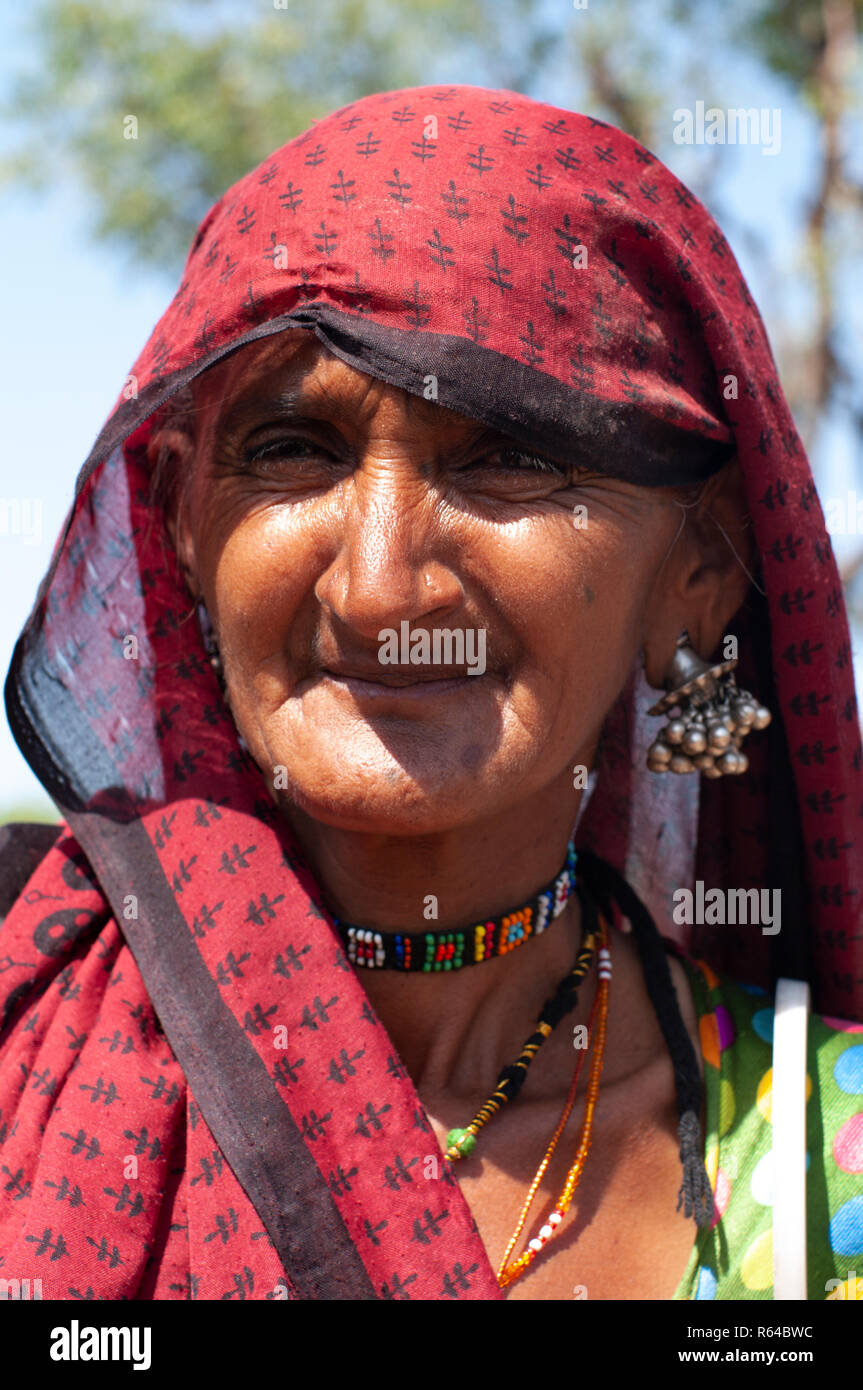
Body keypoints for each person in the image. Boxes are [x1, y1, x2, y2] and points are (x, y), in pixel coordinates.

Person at [1, 84, 861, 1302]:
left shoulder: (825, 1166)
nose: (375, 590)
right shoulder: (27, 1019)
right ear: (186, 517)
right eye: (294, 449)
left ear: (699, 570)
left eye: (509, 455)